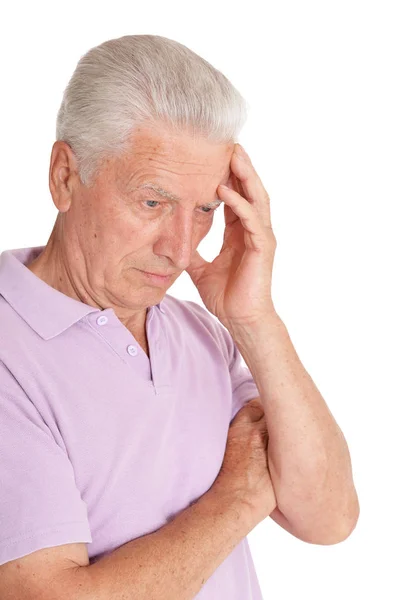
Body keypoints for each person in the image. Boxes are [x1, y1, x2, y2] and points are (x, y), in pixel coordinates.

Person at [0, 34, 359, 600]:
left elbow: (329, 517)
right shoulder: (9, 353)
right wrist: (237, 499)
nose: (181, 246)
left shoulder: (199, 333)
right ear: (65, 176)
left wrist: (255, 320)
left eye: (205, 211)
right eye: (152, 202)